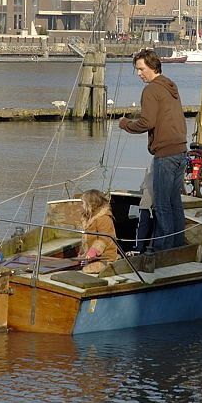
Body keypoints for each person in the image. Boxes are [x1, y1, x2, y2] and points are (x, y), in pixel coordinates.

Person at [119, 49, 188, 251]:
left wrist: (125, 124)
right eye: (137, 70)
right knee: (174, 202)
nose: (139, 73)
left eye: (141, 69)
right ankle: (177, 244)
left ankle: (163, 249)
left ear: (152, 67)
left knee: (161, 204)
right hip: (180, 150)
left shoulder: (151, 90)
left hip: (165, 153)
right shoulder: (169, 86)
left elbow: (147, 122)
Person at [79, 189, 119, 274]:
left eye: (83, 203)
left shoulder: (104, 218)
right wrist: (82, 254)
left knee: (86, 270)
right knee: (76, 265)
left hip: (105, 258)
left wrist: (91, 253)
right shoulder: (88, 217)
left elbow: (103, 239)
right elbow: (86, 239)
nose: (81, 205)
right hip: (91, 257)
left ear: (91, 204)